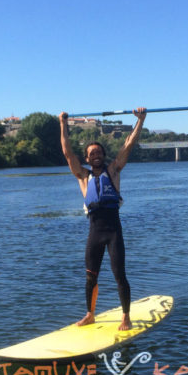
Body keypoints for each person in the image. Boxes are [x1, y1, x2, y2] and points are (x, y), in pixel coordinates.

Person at [59, 107, 147, 331]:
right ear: (87, 158)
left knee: (120, 275)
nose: (96, 156)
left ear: (103, 155)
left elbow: (128, 144)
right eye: (92, 154)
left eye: (99, 152)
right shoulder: (82, 176)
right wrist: (63, 124)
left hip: (113, 232)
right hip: (95, 234)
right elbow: (68, 153)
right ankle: (90, 314)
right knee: (90, 277)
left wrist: (140, 120)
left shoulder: (114, 171)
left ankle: (126, 316)